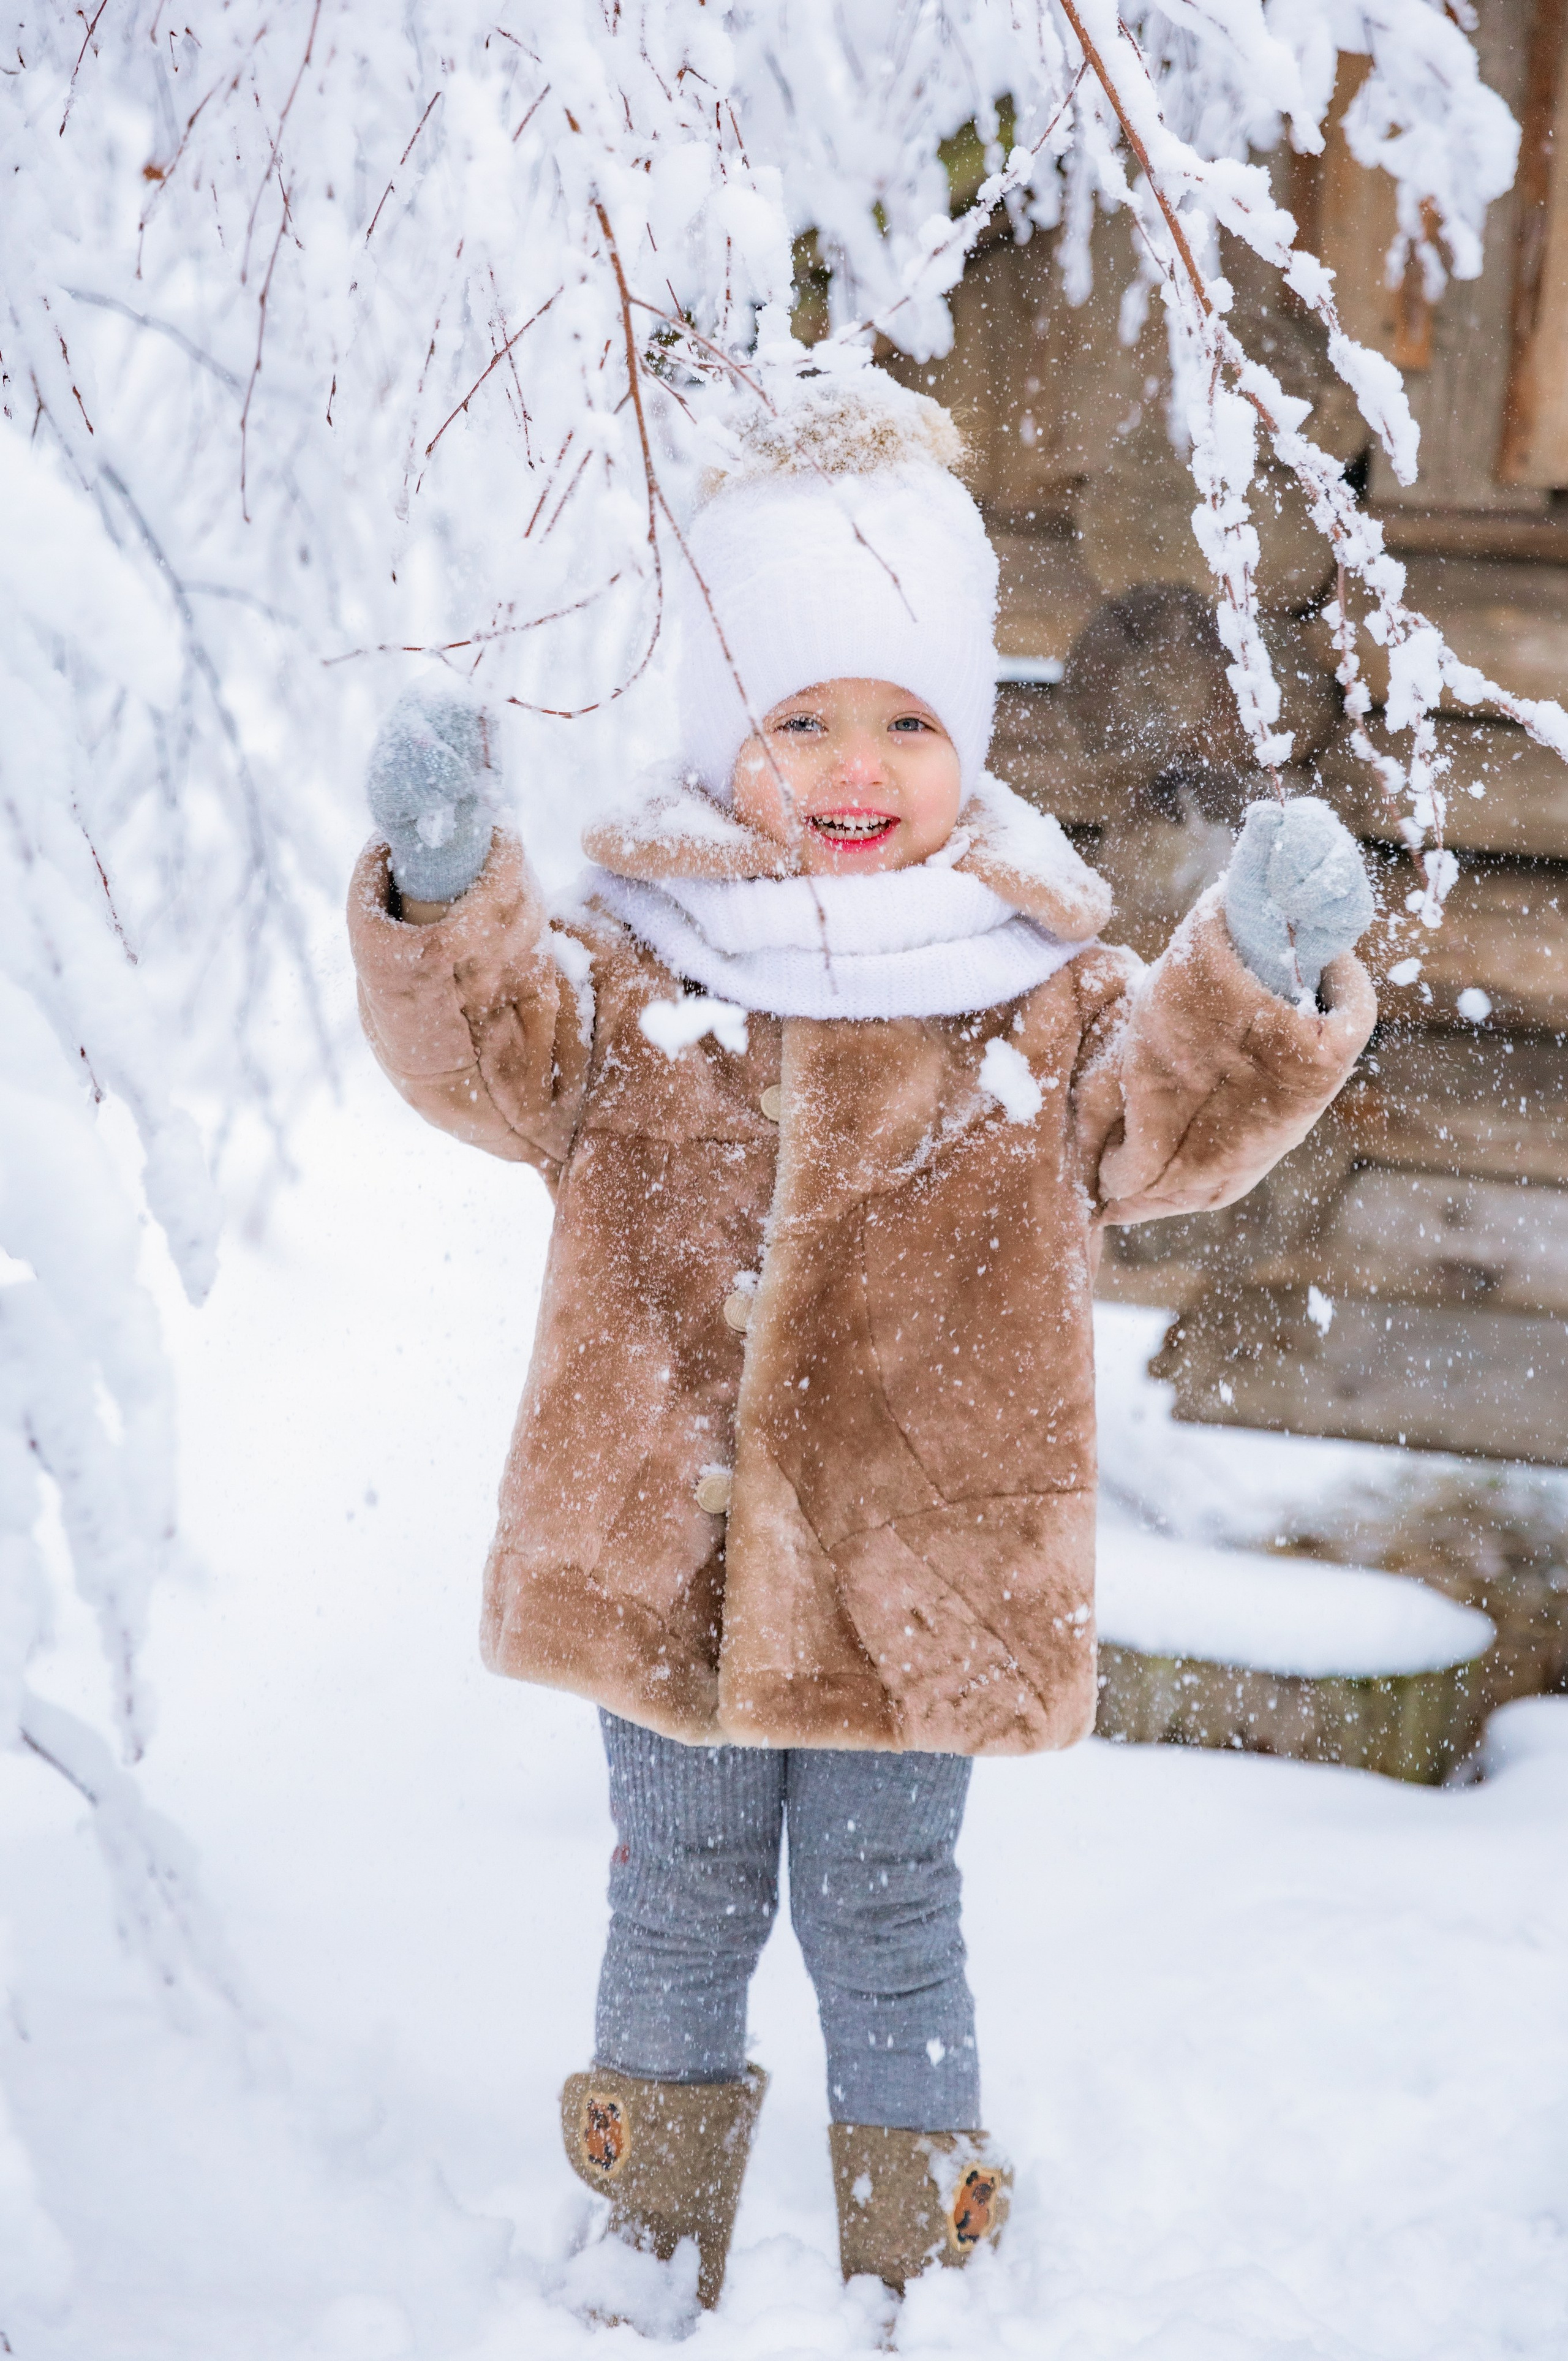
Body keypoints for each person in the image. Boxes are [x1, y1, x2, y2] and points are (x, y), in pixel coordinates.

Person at [346, 372, 1376, 2309]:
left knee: (891, 1915)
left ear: (970, 739)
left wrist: (1266, 970)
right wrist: (442, 885)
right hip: (667, 1551)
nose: (854, 762)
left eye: (907, 719)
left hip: (927, 1572)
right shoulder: (637, 967)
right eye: (799, 715)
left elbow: (1173, 1124)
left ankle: (926, 2273)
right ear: (718, 732)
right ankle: (644, 2257)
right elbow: (483, 1054)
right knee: (676, 1910)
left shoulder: (1041, 993)